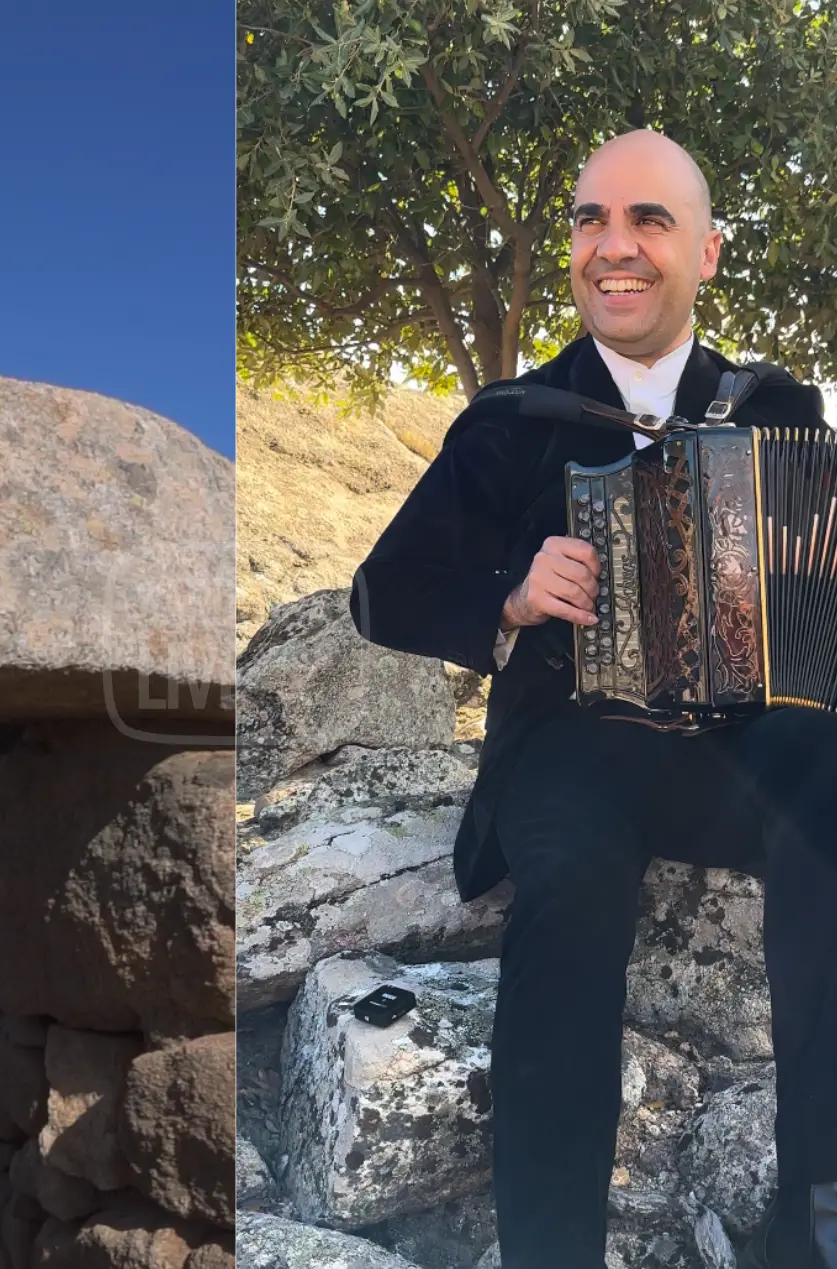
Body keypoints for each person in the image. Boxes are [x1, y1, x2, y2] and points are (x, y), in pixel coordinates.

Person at [349, 128, 837, 1269]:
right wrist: (511, 599)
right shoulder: (512, 421)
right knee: (567, 888)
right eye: (589, 221)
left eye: (648, 221)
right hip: (570, 744)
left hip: (745, 748)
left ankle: (812, 1218)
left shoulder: (781, 412)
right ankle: (551, 1251)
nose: (612, 248)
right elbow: (383, 593)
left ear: (706, 252)